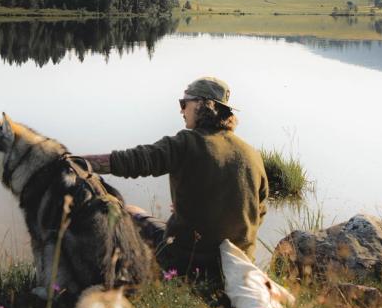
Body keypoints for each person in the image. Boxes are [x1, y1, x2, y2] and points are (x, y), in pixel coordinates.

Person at [83, 77, 268, 282]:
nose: (181, 110)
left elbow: (135, 160)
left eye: (184, 103)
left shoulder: (186, 143)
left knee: (131, 212)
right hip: (238, 266)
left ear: (200, 104)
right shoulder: (252, 154)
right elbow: (258, 212)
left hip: (186, 261)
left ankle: (122, 278)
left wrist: (80, 163)